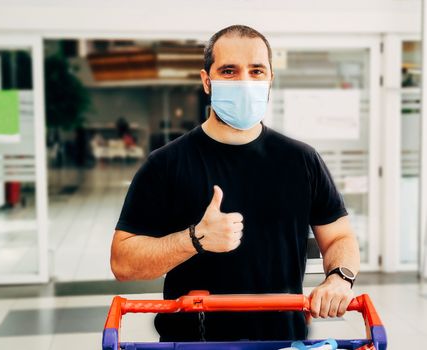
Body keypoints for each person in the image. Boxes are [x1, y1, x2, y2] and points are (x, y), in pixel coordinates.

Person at [110, 25, 360, 342]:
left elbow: (339, 236)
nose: (244, 81)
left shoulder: (302, 161)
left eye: (256, 71)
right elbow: (123, 262)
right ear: (206, 81)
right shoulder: (165, 165)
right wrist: (194, 239)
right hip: (194, 343)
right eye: (229, 71)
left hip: (283, 340)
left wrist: (340, 278)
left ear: (271, 80)